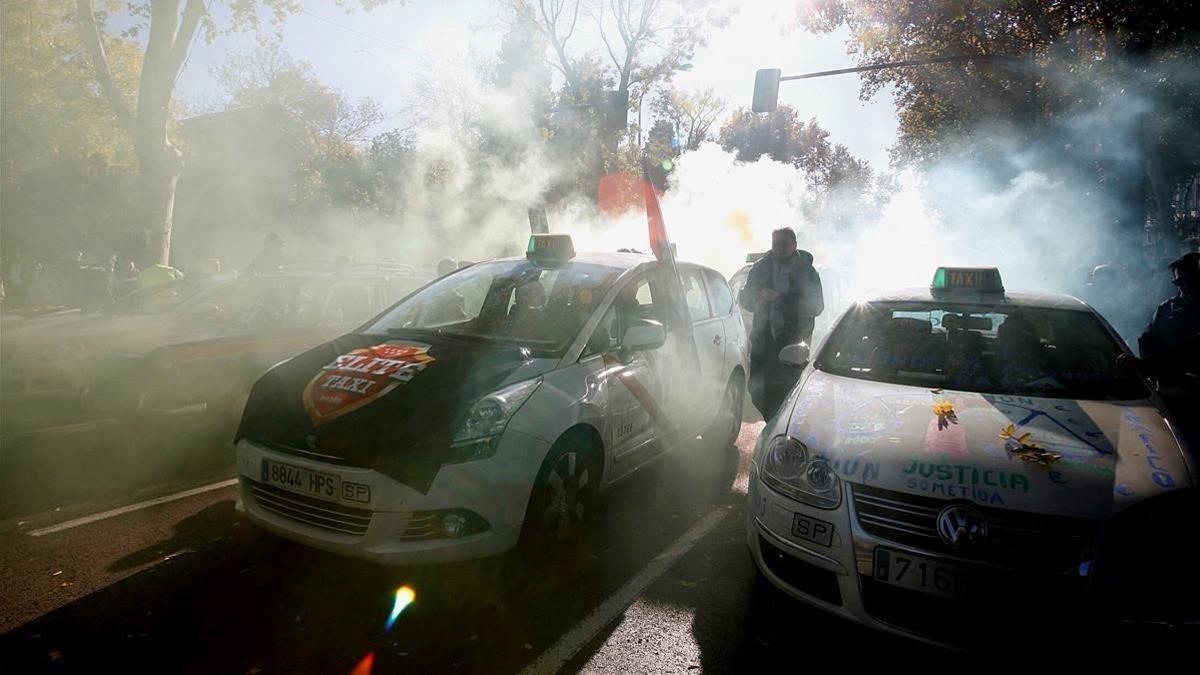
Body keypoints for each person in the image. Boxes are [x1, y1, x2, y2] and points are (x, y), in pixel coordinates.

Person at [738, 227, 824, 419]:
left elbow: (817, 306)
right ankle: (772, 422)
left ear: (794, 245)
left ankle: (779, 431)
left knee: (788, 393)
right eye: (776, 243)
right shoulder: (760, 268)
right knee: (757, 390)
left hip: (793, 343)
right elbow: (746, 300)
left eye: (784, 244)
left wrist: (782, 299)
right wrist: (758, 296)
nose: (780, 248)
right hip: (764, 341)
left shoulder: (807, 272)